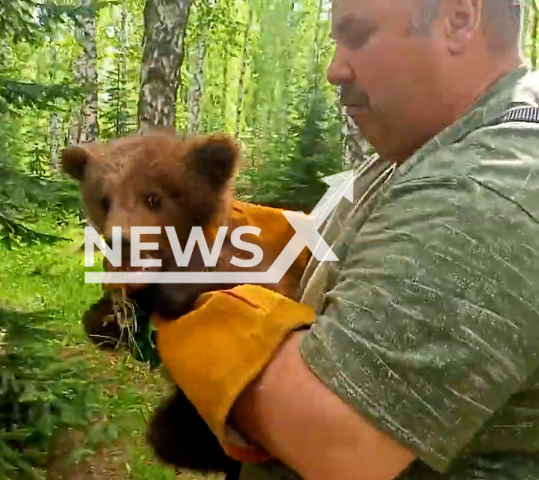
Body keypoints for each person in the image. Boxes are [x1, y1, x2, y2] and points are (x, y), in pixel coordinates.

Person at [151, 0, 539, 479]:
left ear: (459, 18)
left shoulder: (486, 186)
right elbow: (356, 259)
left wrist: (182, 292)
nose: (335, 69)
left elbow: (337, 441)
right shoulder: (431, 142)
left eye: (356, 34)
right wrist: (238, 245)